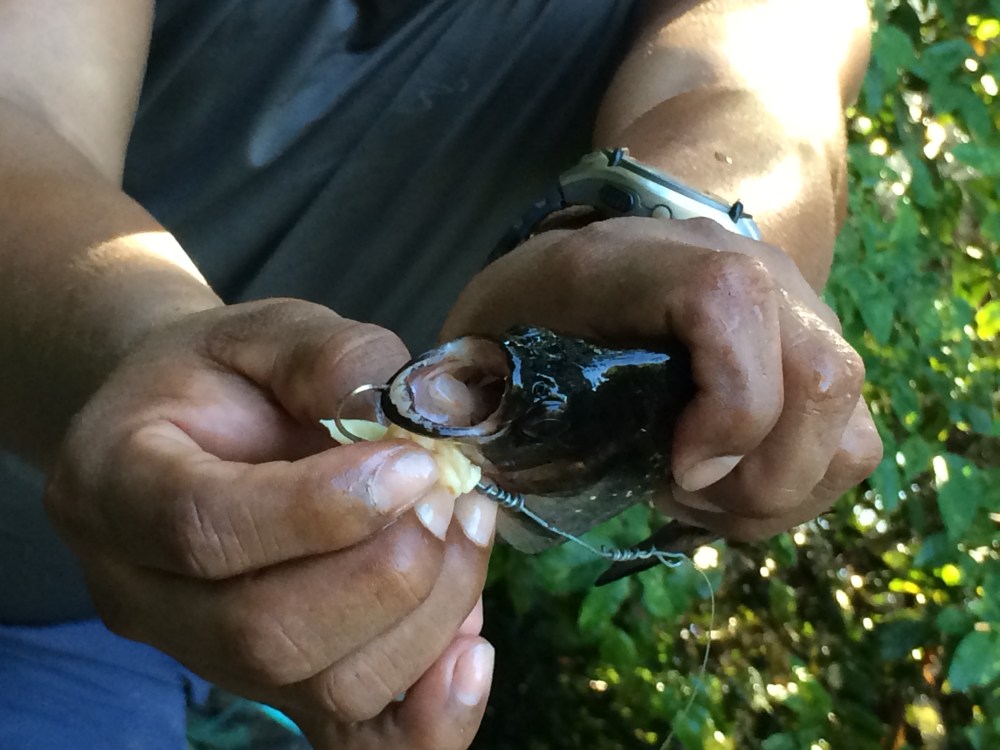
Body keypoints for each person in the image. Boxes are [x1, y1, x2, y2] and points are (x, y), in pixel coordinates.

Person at [0, 1, 882, 748]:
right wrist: (142, 343)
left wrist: (683, 252)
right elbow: (21, 101)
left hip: (93, 630)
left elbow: (768, 86)